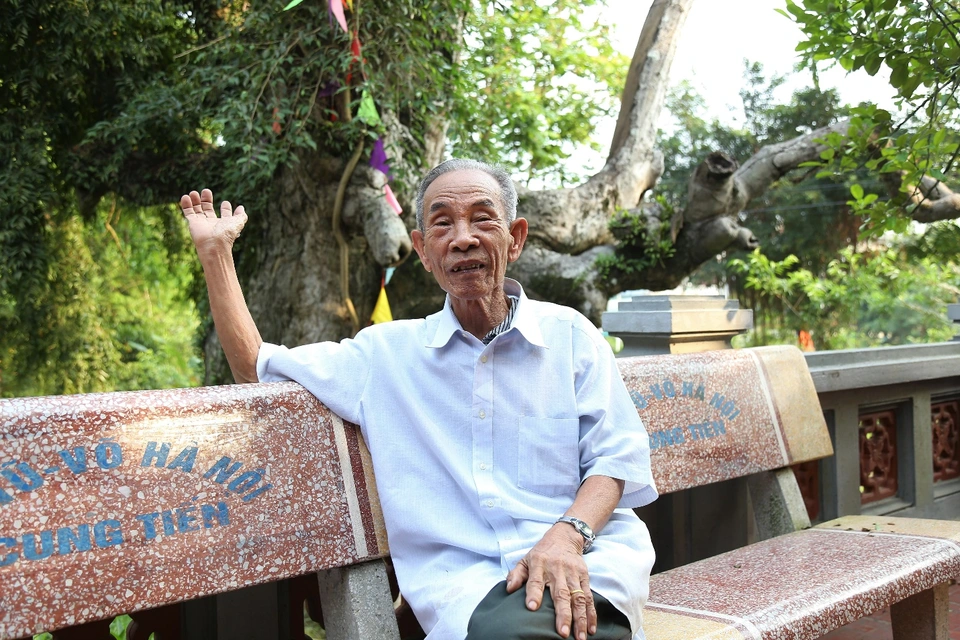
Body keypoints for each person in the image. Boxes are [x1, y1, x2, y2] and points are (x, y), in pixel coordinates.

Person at [179, 159, 658, 640]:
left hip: (586, 560)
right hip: (468, 586)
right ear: (423, 250)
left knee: (573, 624)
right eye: (443, 223)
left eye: (482, 219)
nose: (463, 237)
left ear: (515, 238)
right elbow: (255, 366)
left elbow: (614, 457)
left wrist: (567, 536)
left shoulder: (570, 336)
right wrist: (216, 255)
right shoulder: (383, 356)